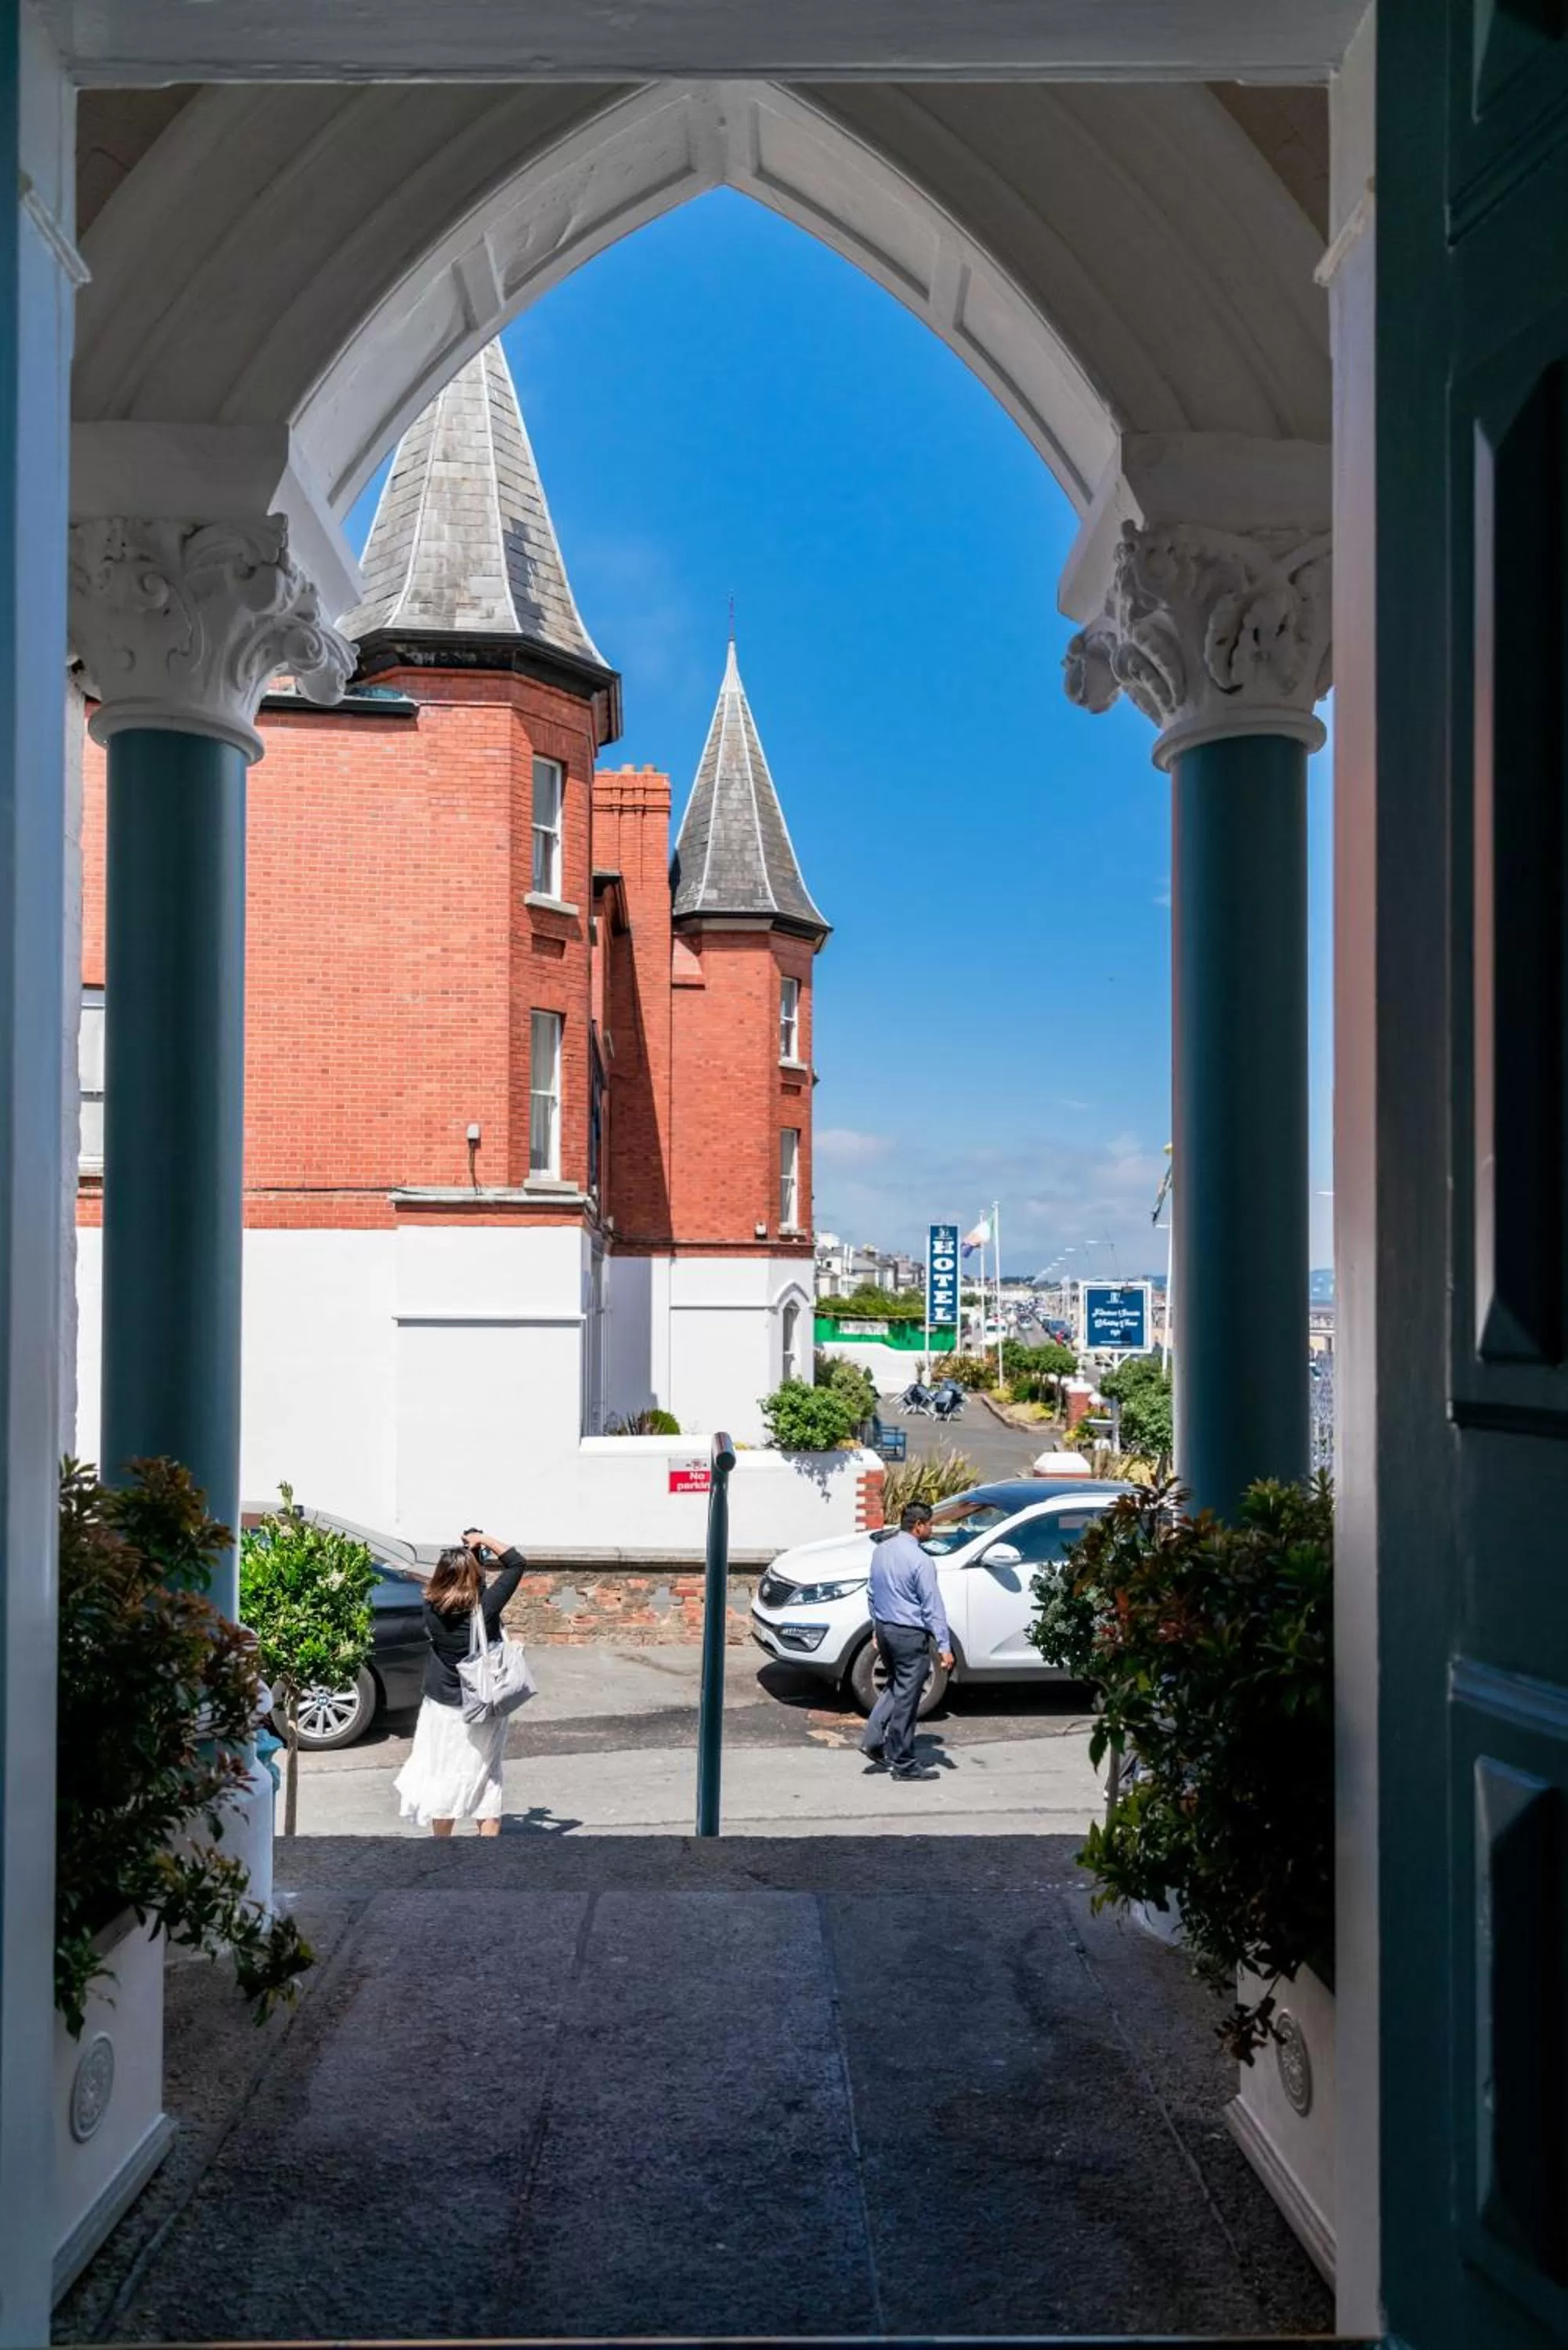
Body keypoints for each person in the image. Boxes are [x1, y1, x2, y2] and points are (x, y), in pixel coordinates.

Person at [393, 1527, 526, 1837]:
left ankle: (443, 1849)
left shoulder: (430, 1606)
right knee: (486, 1778)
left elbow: (461, 1581)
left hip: (440, 1708)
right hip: (480, 1706)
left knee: (443, 1776)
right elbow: (517, 1563)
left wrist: (468, 1554)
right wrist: (483, 1541)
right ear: (474, 1575)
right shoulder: (485, 1609)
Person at [860, 1501, 955, 1783]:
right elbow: (932, 1607)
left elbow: (871, 1592)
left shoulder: (881, 1551)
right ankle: (903, 1763)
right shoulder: (921, 1561)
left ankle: (873, 1739)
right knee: (908, 1699)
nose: (932, 1528)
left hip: (886, 1630)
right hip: (909, 1635)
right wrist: (944, 1646)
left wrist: (877, 1628)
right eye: (930, 1524)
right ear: (919, 1526)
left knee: (896, 1686)